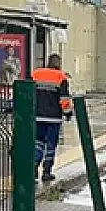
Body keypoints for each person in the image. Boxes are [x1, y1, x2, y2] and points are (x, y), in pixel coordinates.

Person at [30, 54, 72, 183]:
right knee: (51, 144)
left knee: (38, 142)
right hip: (54, 118)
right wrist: (68, 112)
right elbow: (64, 99)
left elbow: (28, 92)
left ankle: (34, 166)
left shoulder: (36, 74)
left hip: (37, 116)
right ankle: (46, 171)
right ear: (59, 64)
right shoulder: (61, 77)